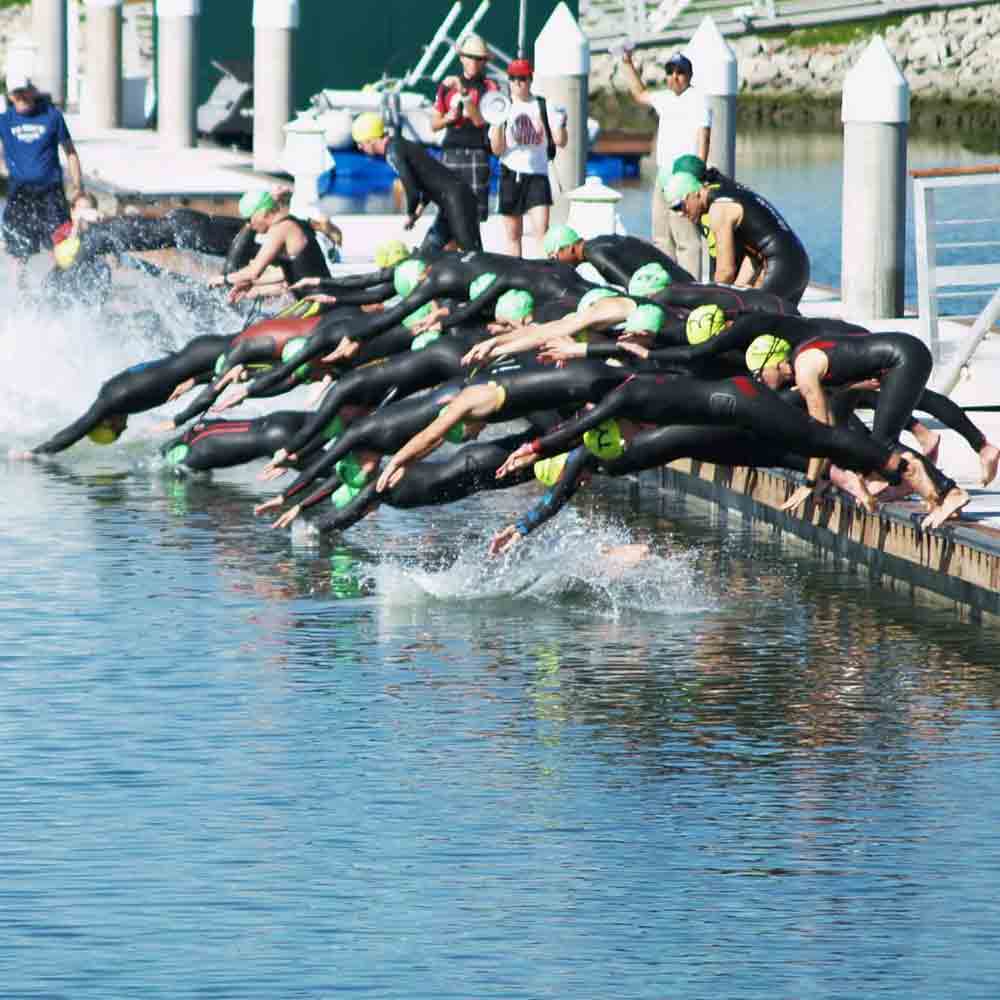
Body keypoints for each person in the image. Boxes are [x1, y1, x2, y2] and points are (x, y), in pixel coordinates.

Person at [619, 50, 710, 279]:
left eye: (681, 72)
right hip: (663, 175)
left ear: (689, 75)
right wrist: (627, 63)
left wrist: (697, 176)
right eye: (670, 72)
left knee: (686, 240)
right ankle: (668, 285)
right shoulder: (665, 98)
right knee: (661, 236)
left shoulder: (698, 99)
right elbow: (640, 94)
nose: (675, 76)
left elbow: (703, 136)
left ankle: (691, 287)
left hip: (684, 176)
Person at [665, 168, 810, 304]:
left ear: (693, 193)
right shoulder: (726, 192)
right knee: (774, 324)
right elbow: (754, 251)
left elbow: (725, 271)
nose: (681, 214)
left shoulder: (718, 210)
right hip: (798, 263)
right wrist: (740, 290)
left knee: (755, 323)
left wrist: (709, 301)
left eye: (679, 206)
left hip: (782, 265)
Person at [351, 112, 482, 255]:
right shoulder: (399, 145)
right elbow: (429, 182)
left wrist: (410, 213)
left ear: (371, 140)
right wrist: (417, 213)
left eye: (360, 143)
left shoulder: (393, 152)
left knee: (472, 254)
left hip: (458, 201)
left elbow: (411, 188)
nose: (359, 147)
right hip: (450, 202)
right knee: (427, 254)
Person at [0, 72, 82, 287]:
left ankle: (62, 285)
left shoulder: (52, 116)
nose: (21, 98)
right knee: (18, 248)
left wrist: (78, 188)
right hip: (20, 193)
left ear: (32, 91)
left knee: (61, 243)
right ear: (10, 96)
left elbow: (70, 152)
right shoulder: (4, 121)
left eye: (24, 92)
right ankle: (20, 290)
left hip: (50, 192)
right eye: (16, 94)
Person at [488, 59, 567, 257]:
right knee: (513, 236)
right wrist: (497, 123)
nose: (517, 83)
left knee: (542, 231)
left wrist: (562, 123)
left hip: (537, 176)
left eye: (522, 78)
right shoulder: (502, 106)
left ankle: (542, 277)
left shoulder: (543, 104)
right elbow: (496, 150)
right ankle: (516, 276)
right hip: (510, 174)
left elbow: (560, 140)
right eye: (513, 78)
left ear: (530, 79)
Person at [208, 187, 329, 302]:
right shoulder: (293, 223)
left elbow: (253, 272)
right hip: (319, 297)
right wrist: (251, 285)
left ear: (263, 212)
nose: (250, 226)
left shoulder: (281, 229)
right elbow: (290, 272)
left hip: (320, 302)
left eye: (249, 220)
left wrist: (223, 279)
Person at [432, 33, 498, 225]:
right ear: (462, 58)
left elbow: (479, 121)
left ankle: (471, 253)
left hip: (477, 153)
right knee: (447, 212)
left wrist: (463, 93)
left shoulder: (489, 87)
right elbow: (434, 125)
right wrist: (447, 118)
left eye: (480, 59)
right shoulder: (446, 87)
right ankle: (449, 253)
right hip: (451, 151)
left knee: (474, 214)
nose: (474, 62)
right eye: (470, 57)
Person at [543, 224, 695, 286]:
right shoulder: (598, 243)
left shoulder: (595, 253)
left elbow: (633, 286)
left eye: (554, 257)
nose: (556, 263)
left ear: (568, 248)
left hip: (678, 287)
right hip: (682, 281)